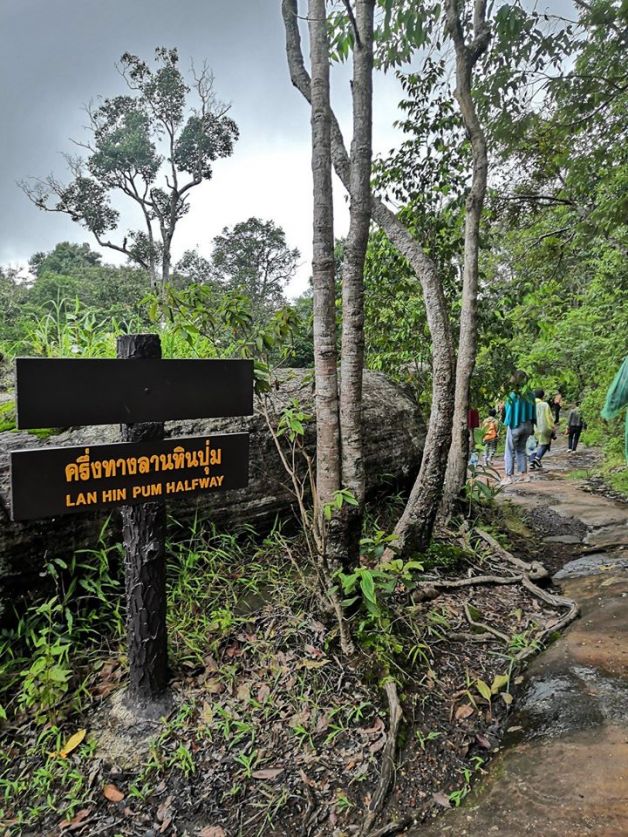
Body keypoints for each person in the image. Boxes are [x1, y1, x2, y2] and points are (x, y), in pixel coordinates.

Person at [500, 370, 536, 486]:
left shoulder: (513, 395)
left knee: (509, 451)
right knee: (521, 449)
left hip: (515, 425)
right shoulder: (530, 394)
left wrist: (505, 423)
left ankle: (508, 476)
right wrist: (533, 425)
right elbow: (534, 411)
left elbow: (509, 412)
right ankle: (524, 474)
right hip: (528, 425)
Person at [530, 389, 556, 469]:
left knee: (533, 445)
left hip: (534, 427)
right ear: (542, 396)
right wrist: (552, 427)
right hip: (544, 427)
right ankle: (537, 458)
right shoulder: (545, 405)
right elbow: (549, 417)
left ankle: (532, 461)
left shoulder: (531, 404)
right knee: (545, 444)